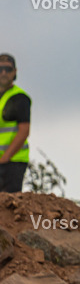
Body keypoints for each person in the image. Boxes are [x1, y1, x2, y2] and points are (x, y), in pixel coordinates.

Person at [0, 53, 31, 193]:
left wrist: (5, 158)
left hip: (12, 162)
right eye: (0, 69)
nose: (4, 73)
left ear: (15, 72)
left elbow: (24, 131)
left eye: (8, 69)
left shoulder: (20, 98)